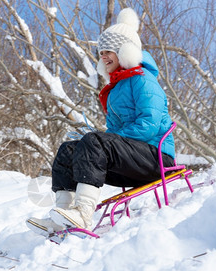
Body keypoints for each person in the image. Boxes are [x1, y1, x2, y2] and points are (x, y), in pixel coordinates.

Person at [26, 8, 175, 237]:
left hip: (156, 158)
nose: (103, 56)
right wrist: (102, 143)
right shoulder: (116, 89)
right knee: (69, 150)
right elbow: (114, 136)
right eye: (101, 52)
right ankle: (62, 214)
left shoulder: (144, 81)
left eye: (109, 51)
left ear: (125, 51)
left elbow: (149, 125)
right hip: (135, 159)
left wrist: (108, 141)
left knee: (94, 141)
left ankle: (83, 213)